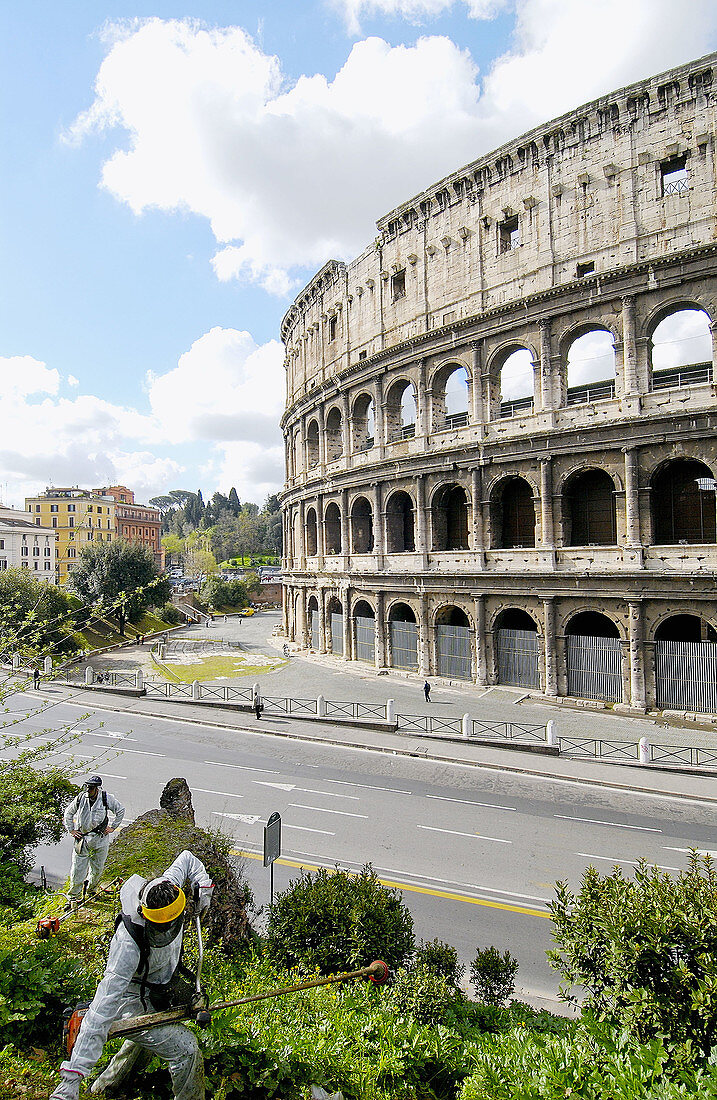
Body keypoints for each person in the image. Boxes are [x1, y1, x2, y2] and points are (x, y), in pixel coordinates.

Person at [50, 850, 213, 1100]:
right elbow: (102, 1007)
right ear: (146, 917)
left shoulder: (168, 885)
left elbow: (187, 858)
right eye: (162, 927)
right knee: (186, 1048)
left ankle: (104, 1088)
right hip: (131, 1001)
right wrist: (72, 1078)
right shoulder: (128, 945)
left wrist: (203, 886)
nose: (168, 931)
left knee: (145, 1042)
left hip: (159, 989)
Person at [63, 777, 125, 907]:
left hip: (100, 839)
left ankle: (91, 890)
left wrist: (113, 827)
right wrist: (71, 830)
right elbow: (68, 813)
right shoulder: (81, 798)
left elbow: (120, 810)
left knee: (97, 868)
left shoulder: (106, 798)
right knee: (77, 868)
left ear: (96, 788)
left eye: (91, 788)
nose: (88, 790)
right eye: (87, 787)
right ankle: (73, 897)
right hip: (82, 839)